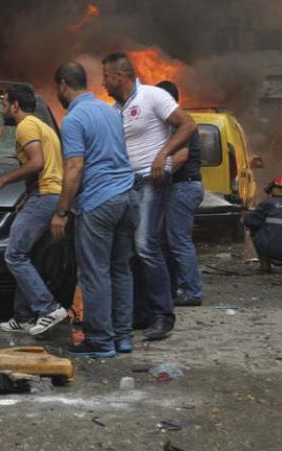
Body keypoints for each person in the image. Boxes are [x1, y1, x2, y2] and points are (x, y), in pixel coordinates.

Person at [101, 52, 197, 340]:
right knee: (129, 251)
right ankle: (139, 313)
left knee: (146, 246)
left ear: (122, 75)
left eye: (106, 76)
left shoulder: (153, 96)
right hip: (126, 184)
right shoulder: (115, 110)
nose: (103, 83)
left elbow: (188, 124)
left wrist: (163, 154)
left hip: (151, 180)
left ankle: (163, 315)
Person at [51, 62, 136, 358]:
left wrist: (61, 212)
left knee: (94, 272)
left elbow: (74, 167)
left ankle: (100, 341)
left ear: (63, 85)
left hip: (99, 201)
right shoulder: (109, 111)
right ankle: (122, 337)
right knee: (120, 270)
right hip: (127, 197)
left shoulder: (74, 119)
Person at [0, 84, 67, 336]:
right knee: (27, 256)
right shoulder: (44, 126)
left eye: (4, 104)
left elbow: (37, 163)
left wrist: (2, 181)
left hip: (44, 195)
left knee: (15, 254)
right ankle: (23, 317)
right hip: (47, 195)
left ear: (15, 105)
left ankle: (49, 308)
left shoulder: (25, 126)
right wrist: (27, 196)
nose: (2, 110)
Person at [156, 80, 204, 307]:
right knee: (168, 241)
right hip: (181, 187)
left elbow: (181, 156)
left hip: (183, 187)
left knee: (179, 241)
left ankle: (192, 292)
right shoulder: (173, 122)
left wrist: (157, 174)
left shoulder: (179, 122)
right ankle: (174, 288)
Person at [244, 177, 282, 275]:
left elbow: (250, 222)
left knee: (254, 229)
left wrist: (245, 216)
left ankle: (265, 266)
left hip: (269, 249)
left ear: (273, 188)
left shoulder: (268, 203)